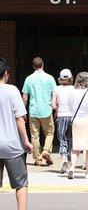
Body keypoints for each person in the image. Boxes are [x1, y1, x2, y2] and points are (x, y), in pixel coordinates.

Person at [0, 58, 33, 210]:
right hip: (12, 146)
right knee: (21, 184)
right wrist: (26, 140)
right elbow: (20, 118)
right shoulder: (12, 90)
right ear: (6, 73)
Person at [21, 57, 56, 166]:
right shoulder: (49, 78)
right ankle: (46, 151)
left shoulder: (28, 79)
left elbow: (25, 96)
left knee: (34, 135)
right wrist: (54, 107)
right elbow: (54, 94)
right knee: (50, 132)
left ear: (33, 66)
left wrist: (23, 111)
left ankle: (38, 159)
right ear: (43, 65)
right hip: (46, 109)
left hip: (33, 110)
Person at [68, 72, 88, 179]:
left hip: (76, 120)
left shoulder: (72, 93)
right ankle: (87, 172)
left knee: (76, 147)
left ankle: (72, 167)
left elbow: (70, 107)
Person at [52, 68, 75, 174]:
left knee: (62, 140)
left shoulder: (56, 89)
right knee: (71, 140)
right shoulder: (74, 89)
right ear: (70, 78)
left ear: (60, 79)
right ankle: (70, 163)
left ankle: (64, 159)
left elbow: (53, 104)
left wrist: (56, 110)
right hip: (72, 116)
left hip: (61, 116)